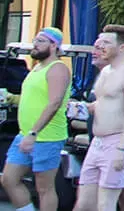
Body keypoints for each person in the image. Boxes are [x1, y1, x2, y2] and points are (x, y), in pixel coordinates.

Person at [74, 25, 124, 211]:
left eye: (106, 42)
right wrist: (84, 108)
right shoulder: (106, 72)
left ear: (122, 48)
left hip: (117, 141)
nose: (99, 45)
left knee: (106, 203)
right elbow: (103, 102)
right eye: (99, 41)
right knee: (84, 204)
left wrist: (122, 149)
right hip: (97, 142)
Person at [2, 27, 71, 211]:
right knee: (9, 179)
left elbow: (54, 102)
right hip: (25, 135)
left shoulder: (58, 68)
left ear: (54, 45)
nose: (35, 44)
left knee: (44, 188)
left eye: (41, 41)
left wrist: (34, 132)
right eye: (35, 40)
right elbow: (34, 98)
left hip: (46, 137)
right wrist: (12, 97)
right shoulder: (36, 68)